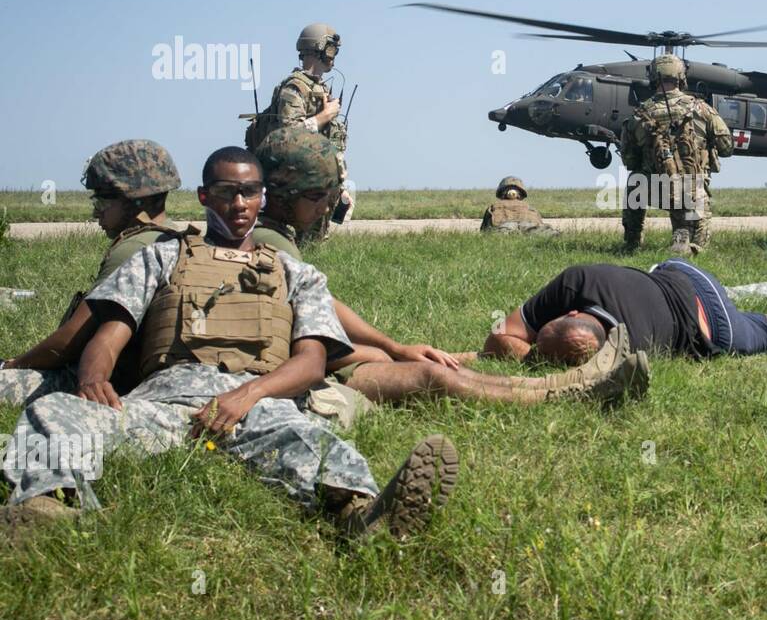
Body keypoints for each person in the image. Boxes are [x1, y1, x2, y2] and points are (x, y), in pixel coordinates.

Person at [0, 146, 457, 541]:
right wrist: (93, 376)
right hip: (161, 402)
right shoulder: (162, 256)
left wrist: (245, 396)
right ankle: (47, 507)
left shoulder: (296, 273)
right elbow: (109, 333)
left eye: (250, 192)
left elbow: (313, 362)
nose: (239, 204)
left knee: (310, 439)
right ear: (204, 196)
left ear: (263, 197)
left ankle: (363, 517)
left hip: (257, 402)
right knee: (51, 411)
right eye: (225, 192)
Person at [251, 128, 647, 407]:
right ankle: (571, 390)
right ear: (287, 194)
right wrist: (389, 352)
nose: (325, 207)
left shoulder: (274, 240)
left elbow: (322, 305)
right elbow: (314, 325)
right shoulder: (272, 246)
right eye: (318, 196)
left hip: (317, 358)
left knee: (427, 364)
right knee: (435, 378)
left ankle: (563, 382)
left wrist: (392, 348)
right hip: (305, 369)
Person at [0, 140, 187, 405]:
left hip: (111, 384)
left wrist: (13, 365)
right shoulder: (177, 238)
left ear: (137, 201)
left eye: (103, 199)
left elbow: (69, 341)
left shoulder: (134, 248)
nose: (95, 211)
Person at [483, 258, 767, 366]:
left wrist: (529, 360)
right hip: (683, 276)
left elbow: (497, 340)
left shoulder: (620, 361)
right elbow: (501, 333)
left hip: (715, 330)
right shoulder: (580, 278)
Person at [246, 23, 353, 240]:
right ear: (317, 49)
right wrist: (325, 116)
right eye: (331, 49)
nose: (334, 56)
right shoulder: (295, 88)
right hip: (296, 180)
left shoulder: (319, 88)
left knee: (315, 241)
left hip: (316, 176)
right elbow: (288, 135)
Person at [621, 54, 734, 255]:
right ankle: (690, 245)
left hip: (653, 189)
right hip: (692, 191)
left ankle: (631, 244)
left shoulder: (639, 114)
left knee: (634, 183)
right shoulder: (701, 109)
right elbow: (727, 147)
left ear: (654, 77)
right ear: (681, 76)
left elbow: (629, 159)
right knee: (694, 241)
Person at [480, 177, 554, 234]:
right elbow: (539, 224)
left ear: (501, 192)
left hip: (503, 230)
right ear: (521, 193)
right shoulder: (530, 207)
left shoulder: (493, 207)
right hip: (532, 229)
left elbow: (484, 231)